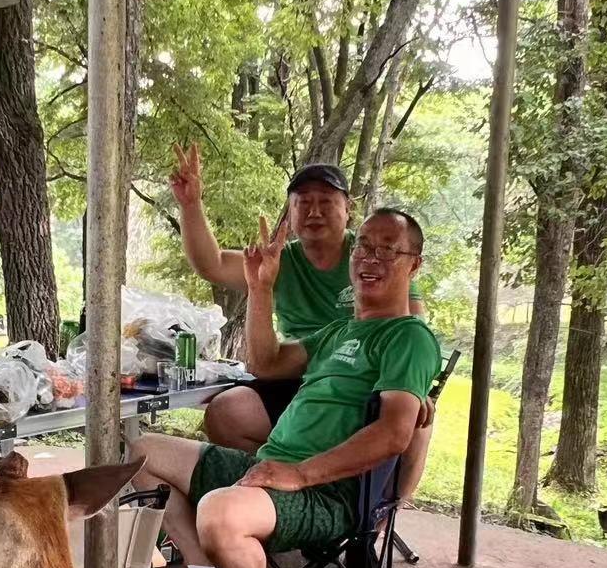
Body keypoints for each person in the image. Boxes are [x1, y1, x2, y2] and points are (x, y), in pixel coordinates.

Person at [131, 207, 440, 568]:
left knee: (219, 511)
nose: (369, 258)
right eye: (364, 247)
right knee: (140, 450)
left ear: (413, 264)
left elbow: (393, 433)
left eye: (387, 249)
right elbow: (268, 364)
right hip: (270, 471)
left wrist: (300, 474)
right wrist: (260, 289)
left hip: (326, 492)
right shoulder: (340, 331)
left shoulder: (408, 338)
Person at [169, 143, 437, 496]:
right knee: (224, 412)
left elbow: (410, 325)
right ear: (291, 212)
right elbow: (213, 264)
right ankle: (273, 487)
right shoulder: (281, 260)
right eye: (302, 203)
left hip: (363, 375)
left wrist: (417, 382)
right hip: (298, 368)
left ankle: (382, 512)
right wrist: (190, 205)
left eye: (326, 202)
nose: (314, 212)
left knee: (414, 413)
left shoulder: (376, 255)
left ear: (347, 209)